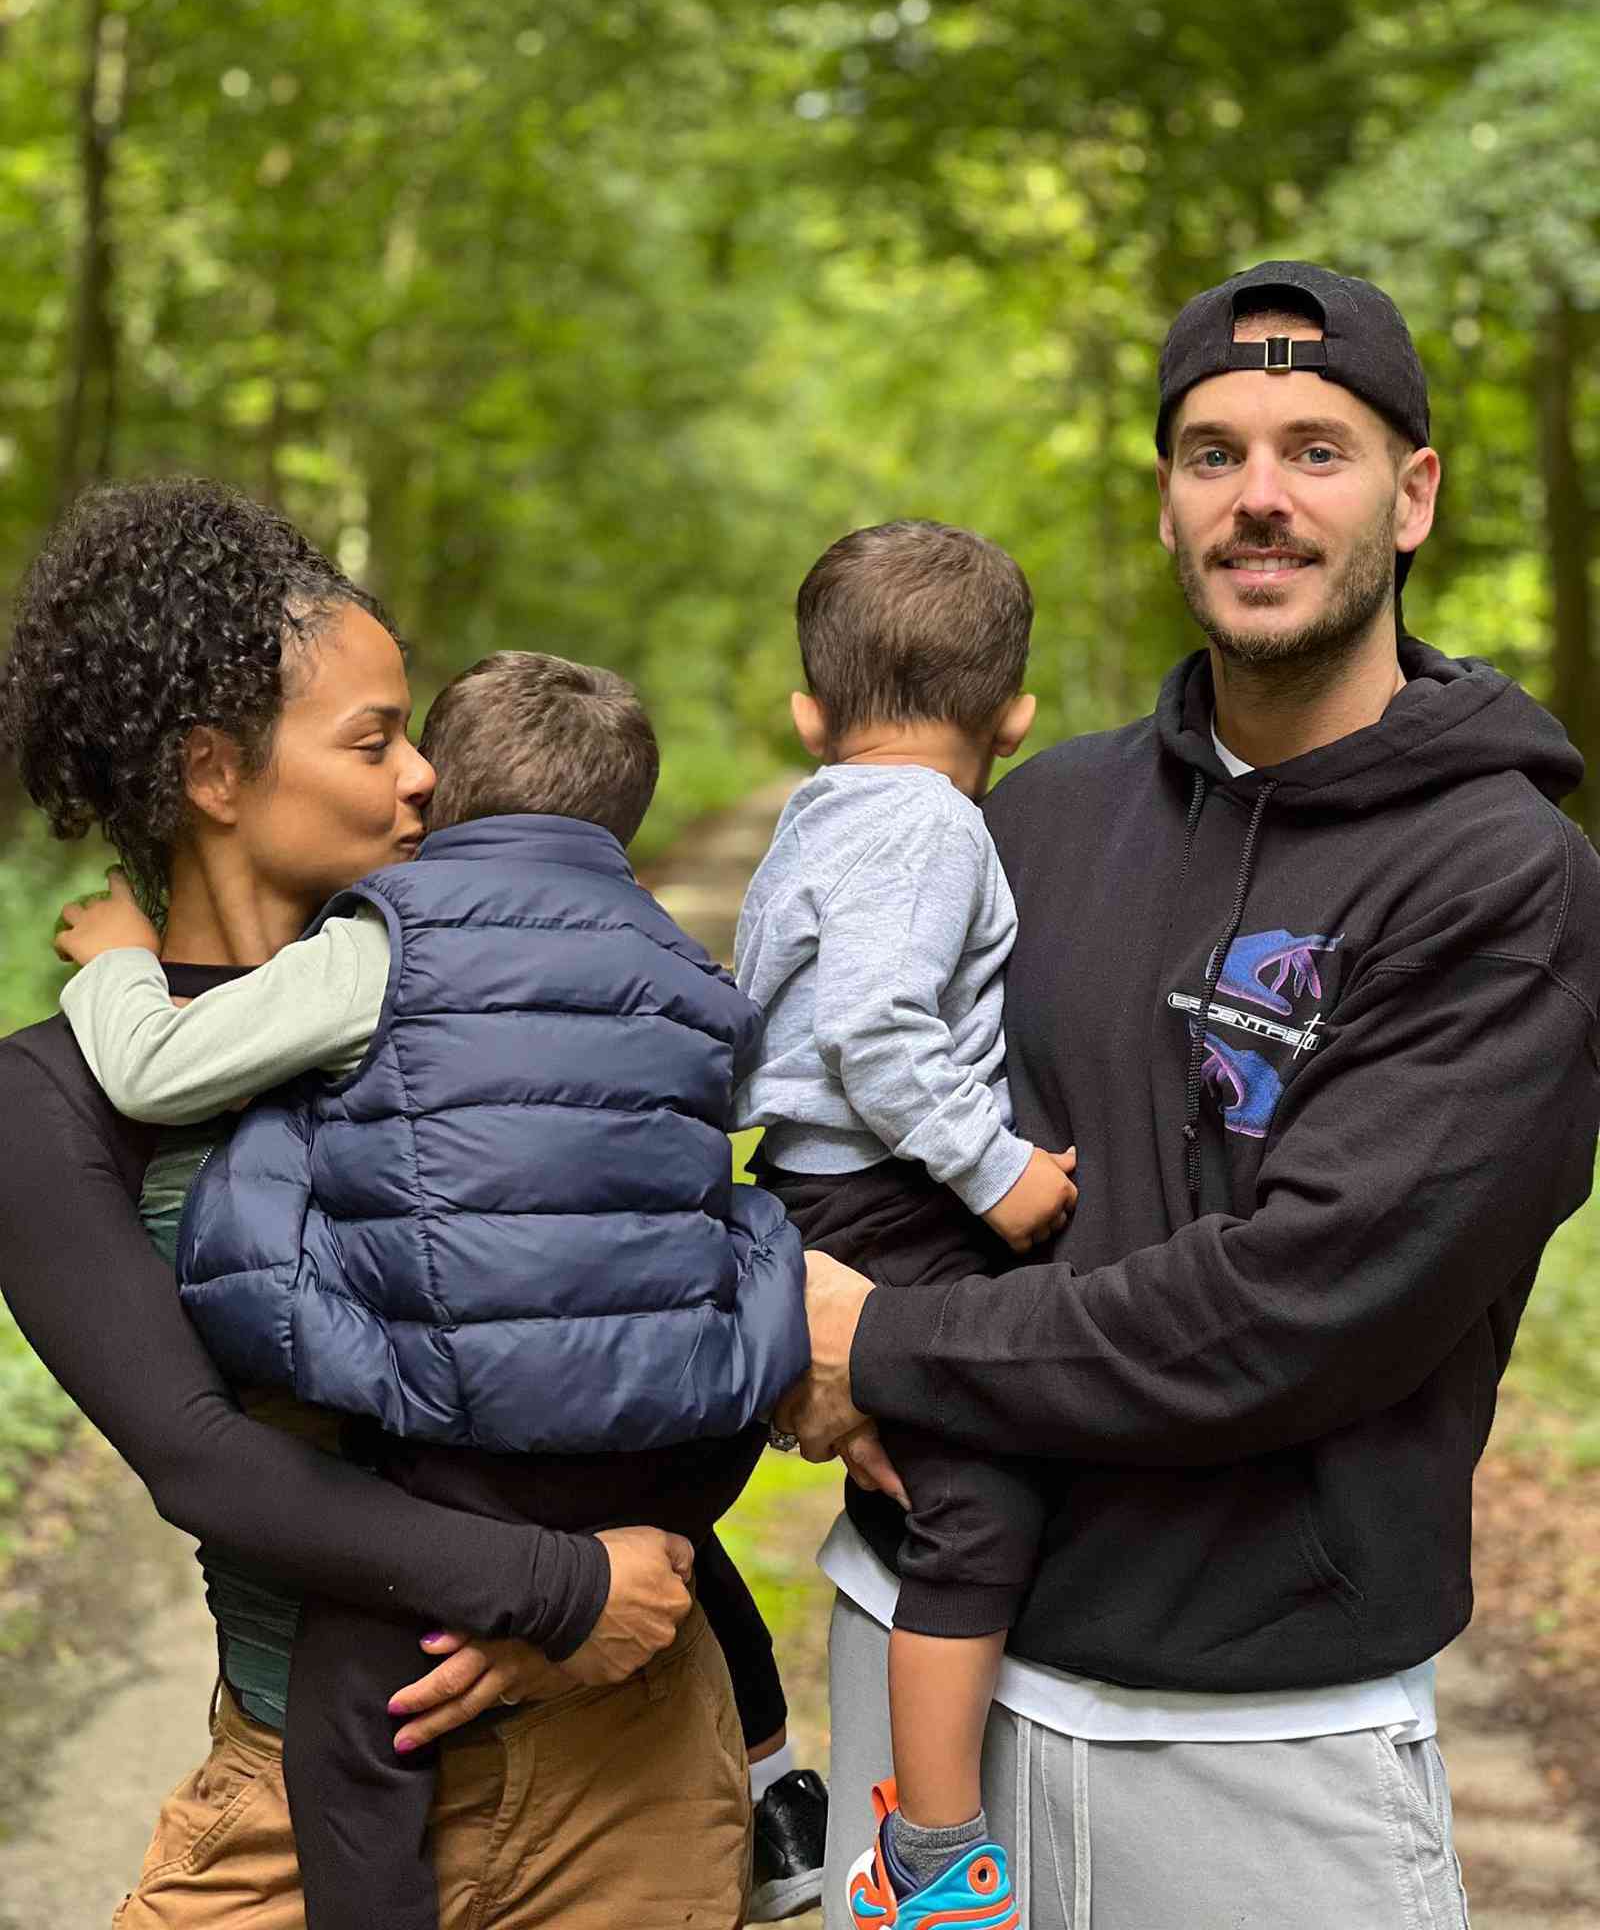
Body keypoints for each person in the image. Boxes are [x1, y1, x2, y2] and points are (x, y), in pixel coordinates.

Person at [779, 262, 1600, 1929]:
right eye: (1213, 453)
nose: (1263, 501)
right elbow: (843, 1115)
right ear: (1166, 503)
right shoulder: (1037, 813)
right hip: (922, 1648)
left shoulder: (1504, 883)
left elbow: (1296, 1312)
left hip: (1258, 1729)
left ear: (1414, 492)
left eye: (1318, 448)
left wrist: (880, 1347)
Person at [0, 477, 752, 1927]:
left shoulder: (515, 998)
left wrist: (596, 1601)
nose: (425, 776)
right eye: (376, 738)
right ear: (214, 775)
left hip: (622, 1769)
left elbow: (666, 1296)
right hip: (303, 1800)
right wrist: (553, 1588)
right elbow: (204, 1459)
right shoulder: (53, 1098)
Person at [732, 520, 1076, 1924]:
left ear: (810, 713)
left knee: (914, 1440)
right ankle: (934, 1855)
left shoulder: (815, 811)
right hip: (887, 1190)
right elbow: (879, 1029)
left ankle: (762, 1785)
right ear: (1017, 717)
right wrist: (998, 1171)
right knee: (984, 1506)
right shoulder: (933, 821)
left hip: (812, 1187)